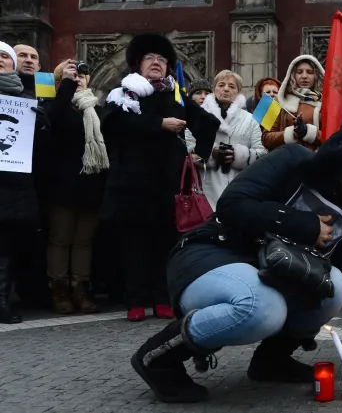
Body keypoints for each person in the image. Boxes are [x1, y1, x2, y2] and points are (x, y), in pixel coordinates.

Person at [130, 114, 342, 403]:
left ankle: (272, 361)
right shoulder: (293, 158)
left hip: (261, 272)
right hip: (208, 256)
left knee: (334, 285)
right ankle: (158, 358)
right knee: (262, 307)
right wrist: (305, 225)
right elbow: (231, 204)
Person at [101, 33, 220, 322]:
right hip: (133, 183)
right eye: (150, 58)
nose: (156, 63)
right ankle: (136, 301)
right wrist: (159, 124)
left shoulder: (176, 94)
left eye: (162, 59)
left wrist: (199, 154)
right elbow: (113, 126)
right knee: (135, 245)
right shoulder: (124, 92)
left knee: (165, 244)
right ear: (138, 64)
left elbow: (209, 123)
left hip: (168, 183)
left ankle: (163, 298)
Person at [42, 59, 108, 314]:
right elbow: (51, 122)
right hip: (62, 185)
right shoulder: (54, 105)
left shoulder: (94, 109)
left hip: (91, 185)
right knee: (60, 239)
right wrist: (66, 88)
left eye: (82, 74)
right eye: (72, 74)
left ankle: (81, 287)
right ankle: (59, 289)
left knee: (84, 241)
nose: (78, 77)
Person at [0, 41, 49, 323]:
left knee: (6, 246)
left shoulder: (27, 96)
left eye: (6, 56)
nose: (1, 60)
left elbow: (40, 150)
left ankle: (2, 301)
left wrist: (41, 126)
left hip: (14, 182)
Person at [186, 70, 266, 209]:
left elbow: (262, 154)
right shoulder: (198, 117)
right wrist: (211, 154)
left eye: (232, 86)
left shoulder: (250, 119)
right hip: (205, 187)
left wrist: (238, 155)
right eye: (221, 85)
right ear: (214, 89)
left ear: (238, 92)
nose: (226, 89)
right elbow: (188, 151)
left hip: (240, 188)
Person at [261, 56, 324, 151]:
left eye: (309, 72)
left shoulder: (327, 103)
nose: (304, 76)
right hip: (287, 161)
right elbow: (265, 138)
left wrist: (308, 132)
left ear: (316, 75)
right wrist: (291, 133)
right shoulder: (277, 100)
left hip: (318, 161)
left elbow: (335, 138)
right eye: (299, 72)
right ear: (292, 75)